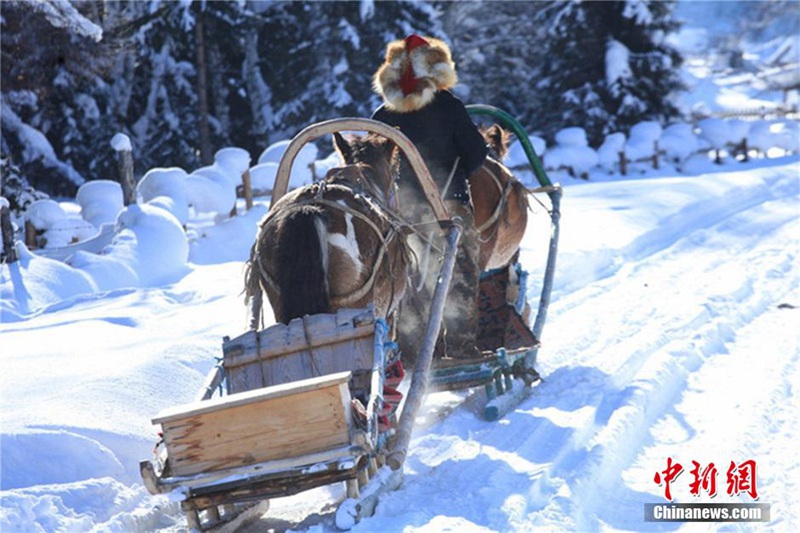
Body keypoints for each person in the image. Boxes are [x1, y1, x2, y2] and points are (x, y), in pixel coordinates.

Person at [371, 34, 488, 360]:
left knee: (410, 277)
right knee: (459, 273)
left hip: (401, 212)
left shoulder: (382, 115)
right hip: (448, 206)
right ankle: (462, 350)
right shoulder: (448, 106)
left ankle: (412, 352)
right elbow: (476, 155)